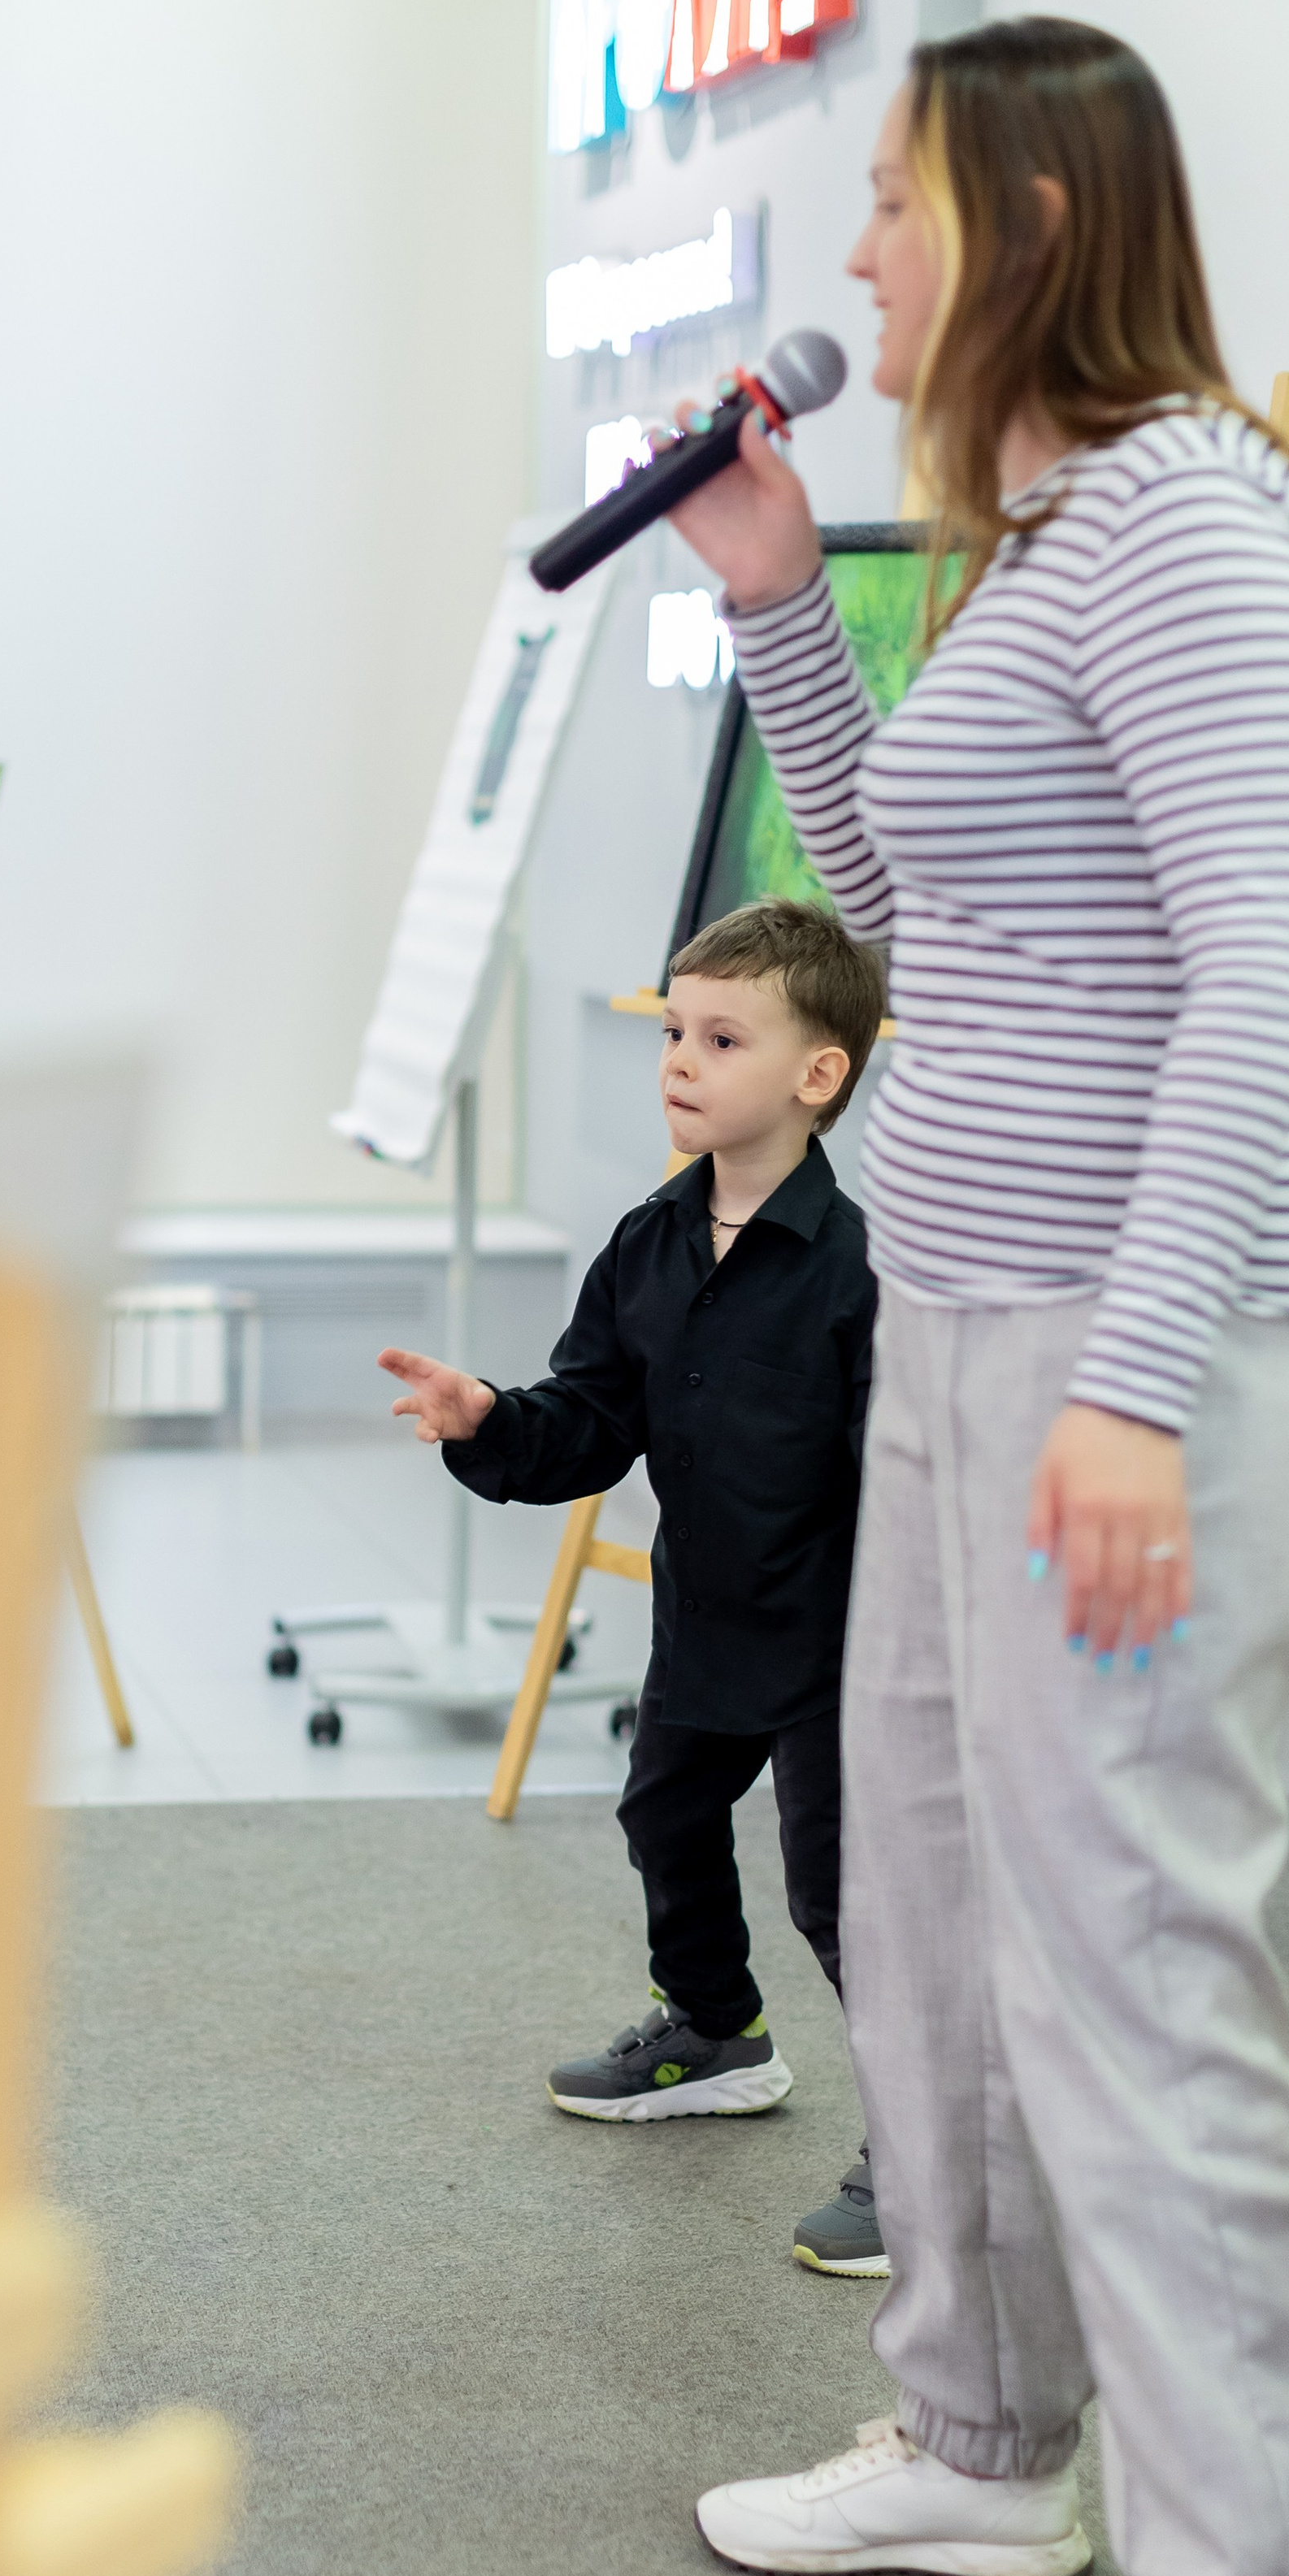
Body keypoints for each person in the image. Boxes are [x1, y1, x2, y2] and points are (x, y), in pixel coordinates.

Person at [674, 18, 1289, 2576]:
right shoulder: (1042, 541)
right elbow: (918, 921)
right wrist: (773, 598)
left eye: (895, 198)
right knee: (943, 1920)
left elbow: (1259, 977)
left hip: (1140, 1351)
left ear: (1040, 214)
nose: (856, 253)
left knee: (1136, 1989)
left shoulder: (1200, 522)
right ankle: (986, 2442)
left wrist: (1130, 1379)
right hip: (972, 1329)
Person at [377, 900, 886, 2259]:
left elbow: (904, 1487)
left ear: (817, 1074)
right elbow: (591, 1420)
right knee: (664, 1810)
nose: (679, 1061)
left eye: (721, 1039)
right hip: (708, 1618)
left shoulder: (860, 1273)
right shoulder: (647, 1244)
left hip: (840, 1646)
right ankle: (717, 2033)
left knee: (844, 1898)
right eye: (674, 1031)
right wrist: (490, 1416)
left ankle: (931, 2157)